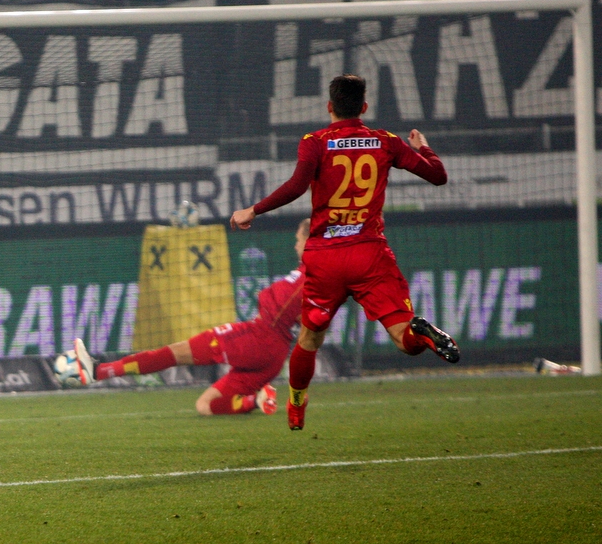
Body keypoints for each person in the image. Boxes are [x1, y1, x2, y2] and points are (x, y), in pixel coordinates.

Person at [230, 75, 459, 432]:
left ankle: (296, 407)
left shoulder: (315, 142)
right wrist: (423, 148)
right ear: (364, 108)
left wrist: (253, 210)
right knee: (404, 341)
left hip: (327, 257)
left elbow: (295, 186)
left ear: (329, 106)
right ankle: (422, 334)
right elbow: (438, 176)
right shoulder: (386, 142)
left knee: (309, 338)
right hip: (370, 254)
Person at [73, 219, 310, 417]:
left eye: (298, 240)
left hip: (256, 337)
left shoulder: (311, 276)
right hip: (275, 354)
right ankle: (254, 401)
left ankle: (99, 371)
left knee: (172, 354)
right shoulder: (314, 278)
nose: (295, 246)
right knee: (205, 405)